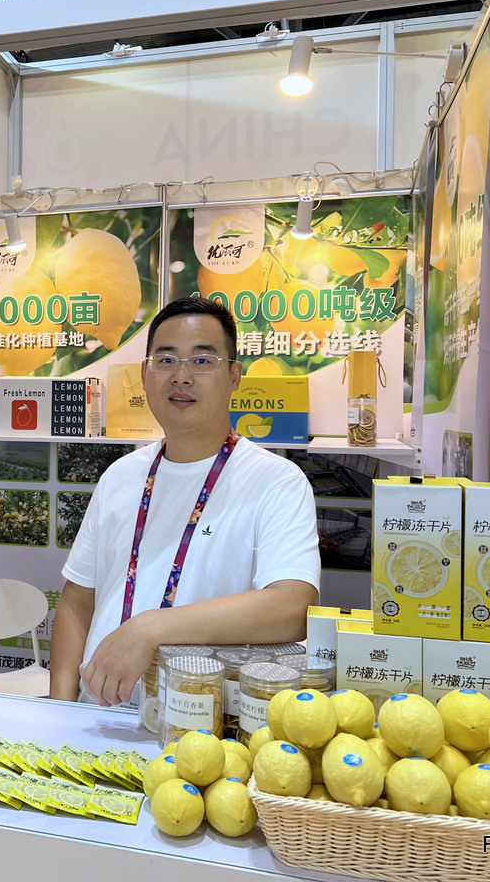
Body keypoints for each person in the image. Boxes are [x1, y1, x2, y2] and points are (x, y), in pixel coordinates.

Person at [49, 297, 320, 706]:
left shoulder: (275, 481)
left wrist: (151, 628)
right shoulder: (120, 476)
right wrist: (59, 710)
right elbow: (77, 600)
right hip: (96, 721)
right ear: (145, 374)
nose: (181, 376)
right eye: (166, 360)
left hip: (200, 725)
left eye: (202, 361)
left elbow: (293, 606)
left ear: (234, 375)